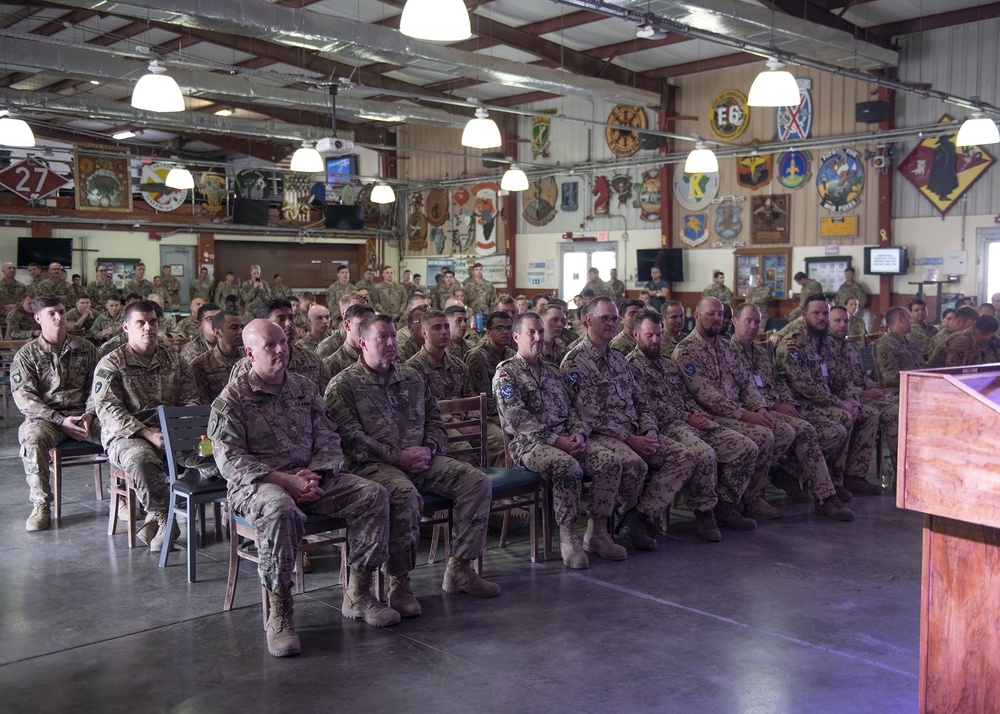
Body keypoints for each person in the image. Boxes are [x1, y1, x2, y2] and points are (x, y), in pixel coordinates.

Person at [210, 319, 398, 657]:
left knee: (373, 495)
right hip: (260, 484)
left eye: (284, 342)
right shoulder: (232, 399)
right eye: (271, 345)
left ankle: (359, 592)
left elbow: (328, 437)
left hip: (311, 478)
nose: (282, 349)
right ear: (250, 353)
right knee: (280, 510)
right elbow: (231, 461)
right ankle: (279, 612)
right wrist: (286, 481)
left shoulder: (304, 387)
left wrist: (316, 476)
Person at [327, 314, 501, 615]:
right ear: (363, 342)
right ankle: (399, 583)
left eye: (394, 336)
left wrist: (429, 448)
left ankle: (459, 568)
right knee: (403, 494)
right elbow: (348, 439)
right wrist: (398, 457)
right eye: (383, 337)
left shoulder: (410, 377)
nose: (392, 343)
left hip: (420, 460)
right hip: (371, 465)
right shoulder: (344, 385)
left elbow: (435, 419)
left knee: (476, 481)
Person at [563, 297, 701, 548]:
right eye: (604, 318)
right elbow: (589, 415)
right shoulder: (575, 362)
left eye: (614, 318)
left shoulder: (618, 359)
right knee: (634, 464)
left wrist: (649, 429)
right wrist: (631, 439)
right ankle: (606, 529)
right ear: (587, 320)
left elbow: (641, 401)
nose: (611, 323)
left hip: (635, 432)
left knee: (684, 456)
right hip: (601, 435)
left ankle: (637, 518)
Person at [495, 312, 626, 567]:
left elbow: (572, 410)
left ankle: (597, 532)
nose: (538, 337)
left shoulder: (553, 371)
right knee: (568, 466)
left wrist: (578, 432)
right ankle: (568, 538)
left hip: (564, 439)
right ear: (516, 337)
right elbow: (517, 421)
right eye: (531, 332)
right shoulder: (506, 374)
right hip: (529, 446)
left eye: (540, 332)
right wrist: (557, 441)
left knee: (610, 461)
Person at [628, 308, 761, 530]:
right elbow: (650, 406)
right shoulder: (632, 365)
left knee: (745, 446)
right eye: (649, 335)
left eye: (658, 335)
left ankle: (726, 505)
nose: (655, 340)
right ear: (636, 335)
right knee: (705, 453)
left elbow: (684, 395)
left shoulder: (667, 364)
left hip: (688, 421)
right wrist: (687, 417)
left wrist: (694, 413)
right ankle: (704, 512)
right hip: (664, 426)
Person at [673, 298, 794, 522]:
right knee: (762, 435)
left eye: (720, 314)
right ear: (697, 316)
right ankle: (728, 502)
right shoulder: (686, 351)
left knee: (784, 431)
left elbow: (746, 382)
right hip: (709, 417)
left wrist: (759, 406)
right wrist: (746, 415)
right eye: (711, 314)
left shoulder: (727, 345)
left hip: (738, 411)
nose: (718, 318)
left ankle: (750, 496)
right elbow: (706, 395)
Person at [730, 303, 854, 519]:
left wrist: (787, 404)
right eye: (748, 321)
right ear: (735, 322)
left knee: (825, 429)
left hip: (775, 408)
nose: (753, 326)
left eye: (757, 322)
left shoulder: (760, 353)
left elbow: (779, 382)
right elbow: (737, 391)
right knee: (800, 429)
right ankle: (822, 496)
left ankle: (804, 482)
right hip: (748, 412)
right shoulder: (728, 351)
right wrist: (770, 406)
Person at [92, 300, 199, 550]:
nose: (148, 327)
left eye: (153, 322)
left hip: (171, 431)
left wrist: (176, 431)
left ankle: (154, 518)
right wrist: (149, 434)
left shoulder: (175, 360)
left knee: (212, 454)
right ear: (126, 326)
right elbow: (109, 409)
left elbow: (191, 399)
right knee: (141, 461)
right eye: (141, 322)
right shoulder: (112, 363)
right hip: (129, 435)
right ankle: (164, 519)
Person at [775, 294, 881, 497]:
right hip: (801, 403)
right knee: (843, 417)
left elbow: (844, 379)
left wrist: (852, 401)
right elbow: (805, 387)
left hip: (825, 401)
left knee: (860, 413)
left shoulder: (828, 343)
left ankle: (841, 478)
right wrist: (840, 403)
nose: (821, 317)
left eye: (825, 313)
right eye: (816, 313)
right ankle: (809, 476)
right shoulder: (793, 345)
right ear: (804, 315)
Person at [11, 296, 100, 531]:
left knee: (120, 432)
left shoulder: (86, 348)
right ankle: (41, 506)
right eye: (52, 313)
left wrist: (90, 413)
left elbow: (98, 387)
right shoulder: (27, 355)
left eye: (61, 311)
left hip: (84, 416)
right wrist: (60, 421)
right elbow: (25, 398)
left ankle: (123, 498)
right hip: (48, 419)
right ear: (38, 318)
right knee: (32, 438)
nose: (59, 317)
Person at [407, 310, 505, 467]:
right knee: (465, 452)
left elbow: (472, 398)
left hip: (469, 421)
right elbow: (421, 410)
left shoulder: (458, 365)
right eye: (437, 328)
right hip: (440, 425)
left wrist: (474, 420)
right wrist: (456, 423)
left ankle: (503, 490)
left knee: (502, 443)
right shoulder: (413, 369)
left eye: (446, 326)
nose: (444, 332)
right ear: (424, 332)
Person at [828, 305, 899, 467]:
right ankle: (855, 473)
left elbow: (860, 376)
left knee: (901, 407)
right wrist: (864, 394)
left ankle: (902, 471)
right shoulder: (823, 348)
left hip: (861, 394)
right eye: (837, 321)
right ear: (827, 323)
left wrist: (875, 388)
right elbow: (833, 386)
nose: (842, 325)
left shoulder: (850, 347)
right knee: (887, 412)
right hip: (844, 399)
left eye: (846, 321)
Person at [231, 299, 330, 394]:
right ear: (264, 323)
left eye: (291, 318)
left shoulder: (313, 360)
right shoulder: (246, 366)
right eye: (281, 319)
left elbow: (323, 400)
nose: (289, 324)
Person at [465, 311, 515, 426]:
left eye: (508, 328)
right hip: (487, 414)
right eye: (499, 328)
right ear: (488, 333)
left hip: (510, 409)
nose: (505, 332)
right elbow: (484, 398)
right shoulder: (477, 357)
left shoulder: (511, 355)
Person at [190, 310, 244, 403]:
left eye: (241, 327)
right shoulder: (200, 365)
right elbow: (204, 405)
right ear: (218, 333)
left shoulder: (250, 357)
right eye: (234, 328)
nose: (240, 331)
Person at [873, 307, 924, 396]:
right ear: (900, 319)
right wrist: (918, 383)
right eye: (909, 318)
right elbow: (891, 377)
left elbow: (923, 369)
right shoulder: (886, 344)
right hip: (900, 392)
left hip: (918, 389)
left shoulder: (911, 344)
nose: (911, 322)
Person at [324, 304, 374, 378]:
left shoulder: (379, 358)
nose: (369, 329)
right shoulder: (332, 364)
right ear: (347, 325)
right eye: (362, 324)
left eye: (372, 324)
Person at [317, 292, 368, 359]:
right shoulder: (328, 347)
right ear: (344, 313)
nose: (363, 315)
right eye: (356, 310)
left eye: (365, 309)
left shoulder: (372, 340)